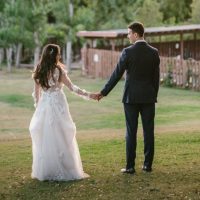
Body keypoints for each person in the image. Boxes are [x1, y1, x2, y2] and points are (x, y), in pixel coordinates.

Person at [95, 22, 160, 174]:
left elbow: (116, 74)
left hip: (130, 98)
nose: (128, 36)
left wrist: (104, 92)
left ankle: (130, 167)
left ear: (136, 34)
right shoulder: (154, 52)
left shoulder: (127, 52)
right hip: (148, 98)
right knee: (148, 131)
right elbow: (155, 78)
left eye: (129, 33)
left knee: (131, 132)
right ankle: (147, 165)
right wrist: (153, 95)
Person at [29, 44, 95, 181]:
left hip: (44, 107)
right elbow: (72, 88)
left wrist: (39, 110)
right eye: (58, 54)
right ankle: (65, 168)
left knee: (47, 137)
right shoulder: (58, 70)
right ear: (54, 55)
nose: (60, 56)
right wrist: (89, 95)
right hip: (59, 106)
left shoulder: (39, 70)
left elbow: (37, 95)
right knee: (62, 135)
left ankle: (47, 170)